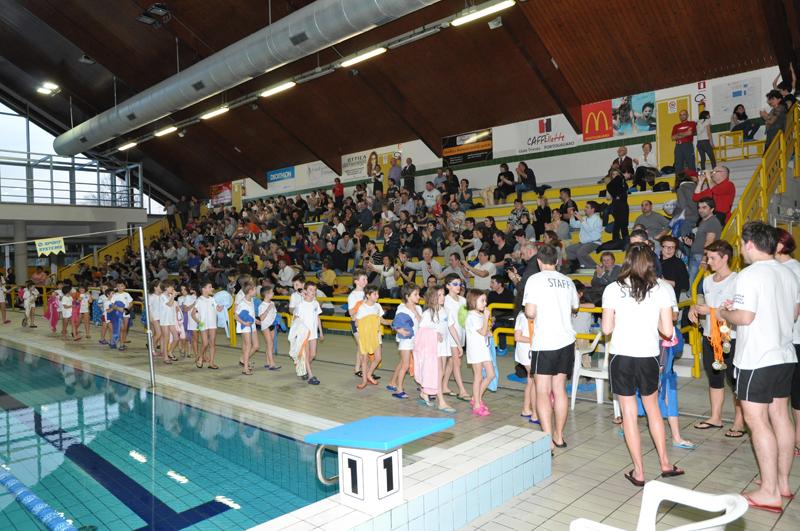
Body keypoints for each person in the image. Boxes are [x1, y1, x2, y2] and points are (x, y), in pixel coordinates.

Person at [719, 222, 798, 511]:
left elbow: (745, 317)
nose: (741, 249)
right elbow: (792, 313)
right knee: (781, 417)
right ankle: (783, 484)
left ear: (750, 244)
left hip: (757, 358)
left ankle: (768, 491)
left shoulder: (750, 274)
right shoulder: (788, 272)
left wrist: (724, 311)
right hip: (784, 354)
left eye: (741, 244)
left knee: (757, 420)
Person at [602, 243, 684, 486]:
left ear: (626, 260)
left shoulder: (612, 289)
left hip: (621, 356)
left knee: (629, 414)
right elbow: (667, 331)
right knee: (653, 409)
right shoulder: (661, 289)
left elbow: (606, 328)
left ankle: (639, 472)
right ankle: (665, 463)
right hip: (648, 356)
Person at [523, 244, 578, 450]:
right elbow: (575, 307)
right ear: (557, 261)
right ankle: (559, 436)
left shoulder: (534, 280)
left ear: (539, 261)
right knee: (560, 389)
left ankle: (547, 439)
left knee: (542, 390)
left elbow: (530, 312)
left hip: (545, 341)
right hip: (566, 341)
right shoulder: (568, 281)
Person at [688, 240, 744, 437]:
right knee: (714, 377)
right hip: (710, 336)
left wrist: (710, 310)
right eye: (708, 257)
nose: (708, 261)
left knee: (735, 380)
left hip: (730, 336)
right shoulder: (707, 280)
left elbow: (737, 310)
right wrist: (694, 308)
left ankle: (739, 422)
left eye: (712, 258)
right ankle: (715, 417)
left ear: (725, 258)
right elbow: (702, 301)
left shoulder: (737, 280)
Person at [774, 229, 800, 458]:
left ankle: (798, 440)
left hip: (795, 338)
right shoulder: (775, 269)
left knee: (797, 394)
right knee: (783, 394)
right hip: (781, 341)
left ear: (780, 246)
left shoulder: (794, 270)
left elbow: (793, 311)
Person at [418, 285, 458, 413]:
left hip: (444, 346)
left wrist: (458, 344)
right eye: (439, 295)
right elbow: (421, 332)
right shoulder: (427, 314)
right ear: (431, 297)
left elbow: (451, 327)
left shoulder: (445, 311)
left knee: (441, 373)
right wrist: (434, 334)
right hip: (433, 348)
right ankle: (441, 402)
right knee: (438, 372)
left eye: (443, 295)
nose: (442, 297)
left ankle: (425, 392)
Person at [388, 283, 422, 399]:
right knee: (405, 364)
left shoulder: (418, 308)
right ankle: (399, 389)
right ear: (407, 296)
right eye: (415, 294)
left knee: (417, 363)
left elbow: (422, 323)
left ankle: (422, 385)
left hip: (417, 340)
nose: (418, 297)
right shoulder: (401, 308)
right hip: (406, 341)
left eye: (418, 294)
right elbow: (394, 324)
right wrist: (399, 330)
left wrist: (415, 312)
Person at [465, 289, 494, 416]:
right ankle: (477, 404)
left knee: (491, 374)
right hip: (476, 350)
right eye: (482, 300)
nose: (485, 303)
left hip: (483, 349)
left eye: (485, 300)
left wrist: (488, 326)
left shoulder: (479, 315)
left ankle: (475, 398)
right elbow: (482, 332)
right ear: (473, 301)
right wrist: (486, 318)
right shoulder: (472, 316)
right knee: (478, 377)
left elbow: (485, 331)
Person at [442, 274, 470, 400]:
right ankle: (462, 391)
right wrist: (458, 344)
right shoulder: (446, 301)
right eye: (455, 284)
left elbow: (466, 319)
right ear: (448, 286)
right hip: (452, 336)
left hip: (461, 335)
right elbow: (451, 325)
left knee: (452, 362)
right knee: (457, 363)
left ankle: (444, 386)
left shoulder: (463, 300)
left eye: (459, 284)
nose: (458, 286)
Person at [354, 286, 388, 389]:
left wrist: (392, 323)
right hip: (365, 338)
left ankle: (369, 374)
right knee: (364, 360)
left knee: (378, 358)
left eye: (377, 294)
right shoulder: (362, 308)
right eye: (375, 294)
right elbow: (356, 323)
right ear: (368, 295)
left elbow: (382, 320)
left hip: (376, 336)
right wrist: (365, 323)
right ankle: (364, 381)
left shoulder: (377, 306)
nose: (377, 296)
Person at [686, 198, 722, 285]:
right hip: (697, 255)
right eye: (699, 207)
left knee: (695, 284)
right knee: (693, 283)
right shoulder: (704, 221)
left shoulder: (712, 222)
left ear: (712, 209)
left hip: (701, 257)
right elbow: (703, 240)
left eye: (704, 207)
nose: (700, 210)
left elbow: (709, 242)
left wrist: (704, 259)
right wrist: (692, 244)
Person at [514, 308, 540, 424]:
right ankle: (535, 414)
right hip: (526, 352)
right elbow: (517, 337)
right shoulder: (522, 316)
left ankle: (526, 409)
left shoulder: (534, 314)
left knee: (531, 380)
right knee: (534, 381)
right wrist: (534, 340)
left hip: (530, 350)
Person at [295, 281, 324, 385]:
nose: (313, 292)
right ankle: (311, 376)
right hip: (304, 334)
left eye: (315, 290)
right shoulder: (301, 305)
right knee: (306, 354)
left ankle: (302, 367)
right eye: (311, 290)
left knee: (313, 354)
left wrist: (321, 332)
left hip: (313, 333)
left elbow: (317, 317)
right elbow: (295, 320)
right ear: (305, 291)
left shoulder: (315, 303)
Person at [566, 201, 603, 270]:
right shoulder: (585, 218)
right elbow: (574, 225)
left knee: (581, 252)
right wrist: (572, 216)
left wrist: (581, 219)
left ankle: (595, 266)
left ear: (593, 209)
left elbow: (589, 229)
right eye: (585, 207)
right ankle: (577, 265)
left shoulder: (597, 219)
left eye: (587, 207)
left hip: (594, 242)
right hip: (584, 243)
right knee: (569, 249)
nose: (585, 209)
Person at [192, 281, 220, 369]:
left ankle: (211, 363)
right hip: (202, 324)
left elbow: (217, 309)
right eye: (210, 287)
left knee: (212, 344)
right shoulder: (199, 300)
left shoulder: (213, 299)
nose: (212, 288)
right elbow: (193, 314)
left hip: (212, 324)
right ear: (203, 289)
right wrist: (198, 322)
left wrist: (220, 308)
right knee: (205, 343)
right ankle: (200, 357)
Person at [235, 282, 259, 375]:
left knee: (256, 346)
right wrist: (244, 323)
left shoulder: (251, 300)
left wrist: (257, 321)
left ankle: (243, 359)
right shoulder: (242, 302)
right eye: (255, 289)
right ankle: (245, 368)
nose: (256, 291)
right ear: (250, 291)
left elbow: (251, 314)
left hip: (252, 325)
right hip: (245, 326)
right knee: (248, 346)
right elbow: (236, 316)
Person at [659, 236, 689, 301]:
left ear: (675, 249)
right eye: (666, 247)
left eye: (672, 247)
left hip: (670, 299)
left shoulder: (679, 263)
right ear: (661, 248)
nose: (669, 250)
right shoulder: (655, 261)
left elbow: (685, 285)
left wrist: (664, 281)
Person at [257, 286, 280, 371]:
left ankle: (267, 362)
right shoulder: (262, 305)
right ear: (266, 294)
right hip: (265, 326)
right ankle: (272, 364)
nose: (273, 293)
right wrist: (267, 309)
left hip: (272, 325)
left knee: (270, 344)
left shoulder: (272, 303)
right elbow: (261, 318)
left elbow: (274, 314)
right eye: (271, 292)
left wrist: (277, 321)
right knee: (270, 344)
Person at [671, 109, 697, 174]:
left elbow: (690, 133)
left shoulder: (692, 123)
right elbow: (673, 137)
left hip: (687, 145)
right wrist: (685, 133)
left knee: (691, 164)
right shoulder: (676, 126)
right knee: (678, 166)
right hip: (678, 147)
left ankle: (694, 180)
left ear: (687, 115)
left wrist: (678, 134)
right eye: (680, 115)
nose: (682, 116)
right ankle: (678, 180)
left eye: (684, 114)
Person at [606, 169, 629, 241]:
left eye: (617, 174)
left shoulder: (623, 182)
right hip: (616, 206)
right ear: (611, 176)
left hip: (624, 205)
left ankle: (621, 241)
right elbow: (609, 197)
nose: (615, 176)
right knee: (619, 225)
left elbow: (624, 191)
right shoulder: (610, 185)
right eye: (613, 174)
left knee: (622, 225)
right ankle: (619, 241)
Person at [159, 281, 178, 364]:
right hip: (164, 320)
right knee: (166, 338)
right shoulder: (162, 296)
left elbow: (173, 307)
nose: (173, 288)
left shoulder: (170, 296)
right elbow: (169, 304)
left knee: (176, 338)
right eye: (171, 287)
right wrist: (173, 296)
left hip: (171, 320)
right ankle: (165, 357)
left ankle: (170, 352)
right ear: (166, 288)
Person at [111, 281, 133, 351]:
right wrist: (119, 308)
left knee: (125, 329)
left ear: (124, 287)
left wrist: (126, 309)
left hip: (126, 313)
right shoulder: (115, 295)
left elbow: (131, 303)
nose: (120, 287)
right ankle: (120, 344)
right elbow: (112, 305)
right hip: (118, 314)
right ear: (116, 287)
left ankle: (123, 343)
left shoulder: (127, 294)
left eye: (122, 286)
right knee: (120, 328)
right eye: (118, 286)